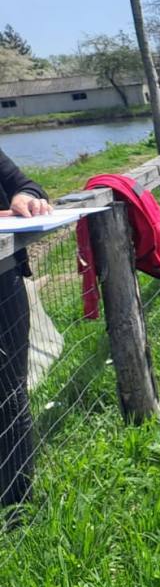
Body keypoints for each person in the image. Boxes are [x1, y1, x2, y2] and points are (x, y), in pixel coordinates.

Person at [0, 149, 52, 514]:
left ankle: (18, 503)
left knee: (10, 390)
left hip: (4, 284)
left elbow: (26, 185)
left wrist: (26, 199)